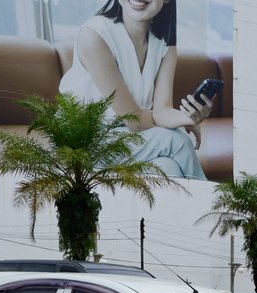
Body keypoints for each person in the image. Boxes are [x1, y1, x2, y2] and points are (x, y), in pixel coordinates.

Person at [58, 0, 211, 180]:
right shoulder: (94, 35)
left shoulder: (165, 46)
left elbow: (162, 110)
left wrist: (188, 117)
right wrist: (176, 122)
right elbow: (134, 121)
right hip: (85, 143)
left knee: (169, 168)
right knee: (178, 141)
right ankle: (213, 198)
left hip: (130, 140)